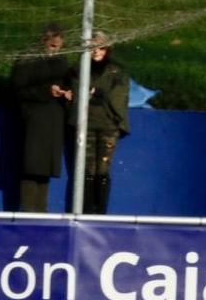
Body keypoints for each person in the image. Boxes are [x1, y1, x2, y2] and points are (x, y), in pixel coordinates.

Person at [9, 23, 73, 212]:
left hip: (53, 118)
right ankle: (29, 211)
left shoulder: (61, 61)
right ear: (44, 41)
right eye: (53, 45)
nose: (57, 48)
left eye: (59, 45)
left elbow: (68, 82)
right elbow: (19, 88)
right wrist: (46, 91)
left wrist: (68, 92)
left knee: (45, 168)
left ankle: (41, 211)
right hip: (34, 118)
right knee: (32, 166)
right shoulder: (28, 58)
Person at [75, 41, 130, 214]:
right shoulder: (80, 69)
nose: (96, 52)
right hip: (87, 124)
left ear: (107, 50)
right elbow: (77, 91)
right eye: (92, 48)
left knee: (103, 169)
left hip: (108, 125)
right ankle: (85, 210)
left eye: (100, 48)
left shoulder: (117, 70)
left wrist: (96, 93)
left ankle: (100, 211)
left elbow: (117, 97)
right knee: (87, 169)